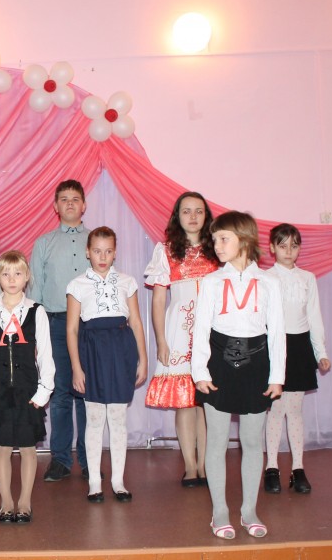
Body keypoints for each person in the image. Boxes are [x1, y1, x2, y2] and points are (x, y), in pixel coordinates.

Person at [192, 211, 285, 540]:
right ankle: (220, 511)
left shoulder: (270, 282)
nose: (216, 245)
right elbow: (201, 329)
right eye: (214, 239)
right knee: (217, 440)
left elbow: (277, 333)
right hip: (218, 365)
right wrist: (199, 371)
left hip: (256, 367)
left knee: (252, 441)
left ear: (244, 239)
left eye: (223, 239)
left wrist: (277, 376)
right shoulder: (211, 282)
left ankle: (249, 510)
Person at [0, 251, 55, 524]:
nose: (11, 279)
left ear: (26, 277)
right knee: (3, 448)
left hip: (28, 390)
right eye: (6, 274)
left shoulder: (36, 311)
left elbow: (45, 355)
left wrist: (43, 390)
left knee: (28, 448)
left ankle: (25, 502)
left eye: (17, 273)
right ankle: (6, 502)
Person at [144, 192, 219, 488]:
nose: (193, 216)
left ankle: (206, 465)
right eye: (186, 211)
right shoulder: (166, 251)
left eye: (198, 211)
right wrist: (161, 340)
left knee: (207, 403)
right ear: (177, 216)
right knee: (185, 403)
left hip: (213, 333)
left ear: (206, 215)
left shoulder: (218, 248)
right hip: (180, 332)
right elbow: (158, 300)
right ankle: (190, 466)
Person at [66, 227, 147, 502]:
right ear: (87, 252)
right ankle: (94, 482)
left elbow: (136, 322)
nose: (103, 257)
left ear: (115, 253)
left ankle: (118, 481)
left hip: (121, 350)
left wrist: (143, 359)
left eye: (108, 251)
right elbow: (72, 329)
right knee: (94, 418)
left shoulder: (127, 281)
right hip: (92, 351)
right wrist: (77, 367)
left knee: (118, 417)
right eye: (97, 251)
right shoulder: (77, 285)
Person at [263, 223, 331, 494]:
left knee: (295, 410)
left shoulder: (307, 278)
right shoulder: (265, 278)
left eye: (294, 246)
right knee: (275, 409)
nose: (288, 251)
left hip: (300, 346)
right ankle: (271, 467)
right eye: (282, 246)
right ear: (272, 248)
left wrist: (321, 352)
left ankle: (298, 469)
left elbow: (314, 316)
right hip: (274, 346)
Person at [30, 179, 91, 482]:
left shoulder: (96, 240)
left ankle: (90, 459)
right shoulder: (43, 243)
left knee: (89, 393)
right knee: (60, 392)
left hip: (91, 326)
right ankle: (61, 460)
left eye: (75, 198)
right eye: (64, 199)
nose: (69, 203)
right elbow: (35, 292)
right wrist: (35, 335)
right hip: (54, 323)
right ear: (55, 206)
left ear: (84, 205)